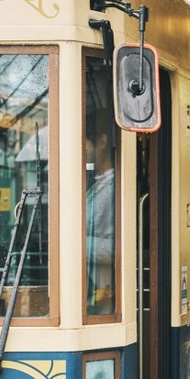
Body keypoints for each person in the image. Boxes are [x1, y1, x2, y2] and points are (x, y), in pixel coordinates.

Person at [85, 127, 115, 314]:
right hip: (94, 288)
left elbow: (118, 248)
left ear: (102, 142)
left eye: (84, 144)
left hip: (105, 292)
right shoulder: (97, 184)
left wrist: (74, 244)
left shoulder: (113, 188)